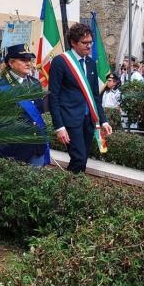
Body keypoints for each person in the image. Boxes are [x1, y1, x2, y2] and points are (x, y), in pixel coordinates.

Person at [48, 22, 112, 173]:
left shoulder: (91, 63)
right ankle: (69, 190)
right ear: (73, 43)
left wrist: (104, 120)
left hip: (89, 120)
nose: (89, 46)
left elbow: (95, 96)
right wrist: (59, 127)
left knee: (82, 159)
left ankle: (72, 188)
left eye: (91, 43)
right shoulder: (61, 62)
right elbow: (53, 97)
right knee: (78, 158)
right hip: (70, 120)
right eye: (85, 43)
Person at [0, 43, 49, 166]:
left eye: (29, 60)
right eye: (23, 60)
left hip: (36, 147)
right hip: (12, 151)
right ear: (11, 63)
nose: (28, 63)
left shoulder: (35, 83)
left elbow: (38, 111)